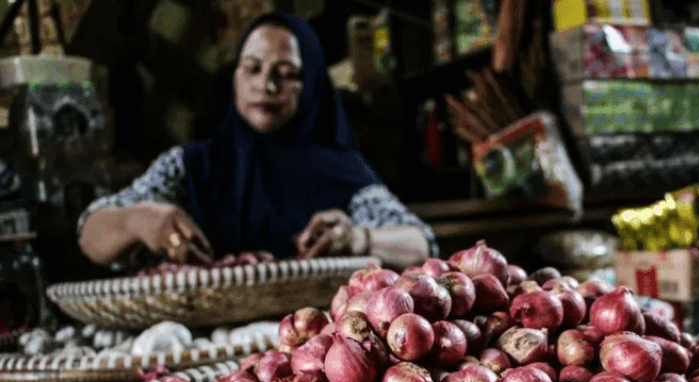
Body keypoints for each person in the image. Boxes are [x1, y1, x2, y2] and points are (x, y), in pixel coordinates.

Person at [78, 12, 435, 269]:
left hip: (310, 352)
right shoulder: (190, 165)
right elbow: (90, 235)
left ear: (310, 87)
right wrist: (139, 219)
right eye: (252, 68)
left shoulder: (340, 168)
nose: (266, 85)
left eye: (286, 74)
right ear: (234, 76)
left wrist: (359, 238)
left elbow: (420, 243)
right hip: (198, 346)